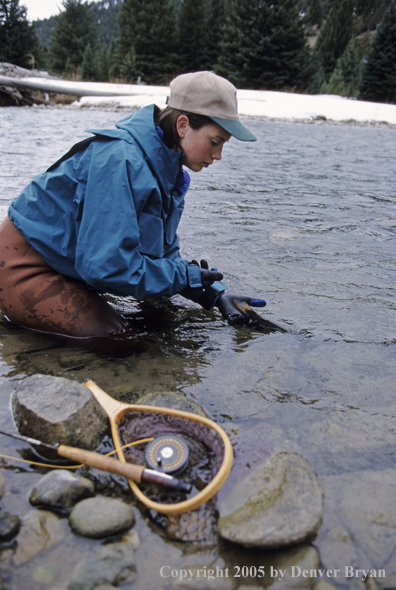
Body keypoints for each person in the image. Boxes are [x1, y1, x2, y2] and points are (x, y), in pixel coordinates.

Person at [0, 71, 265, 347]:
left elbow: (162, 255)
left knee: (163, 318)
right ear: (183, 125)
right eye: (215, 142)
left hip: (68, 266)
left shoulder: (170, 173)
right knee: (123, 342)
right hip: (23, 266)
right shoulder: (120, 160)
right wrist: (187, 277)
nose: (218, 155)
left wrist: (214, 295)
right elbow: (106, 268)